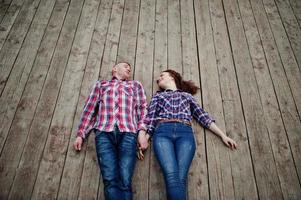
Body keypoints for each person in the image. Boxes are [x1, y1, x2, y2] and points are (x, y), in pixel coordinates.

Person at [144, 69, 237, 200]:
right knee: (172, 177)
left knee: (180, 180)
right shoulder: (158, 96)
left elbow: (203, 117)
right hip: (163, 133)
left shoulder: (187, 96)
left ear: (171, 77)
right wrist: (146, 138)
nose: (158, 79)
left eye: (162, 75)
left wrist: (223, 135)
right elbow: (151, 118)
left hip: (185, 134)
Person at [73, 62, 149, 200]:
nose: (128, 69)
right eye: (125, 66)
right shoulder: (101, 85)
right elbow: (90, 110)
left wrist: (142, 132)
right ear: (114, 69)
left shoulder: (135, 85)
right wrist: (81, 134)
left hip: (129, 133)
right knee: (110, 180)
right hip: (104, 134)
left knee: (125, 180)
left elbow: (143, 109)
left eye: (130, 68)